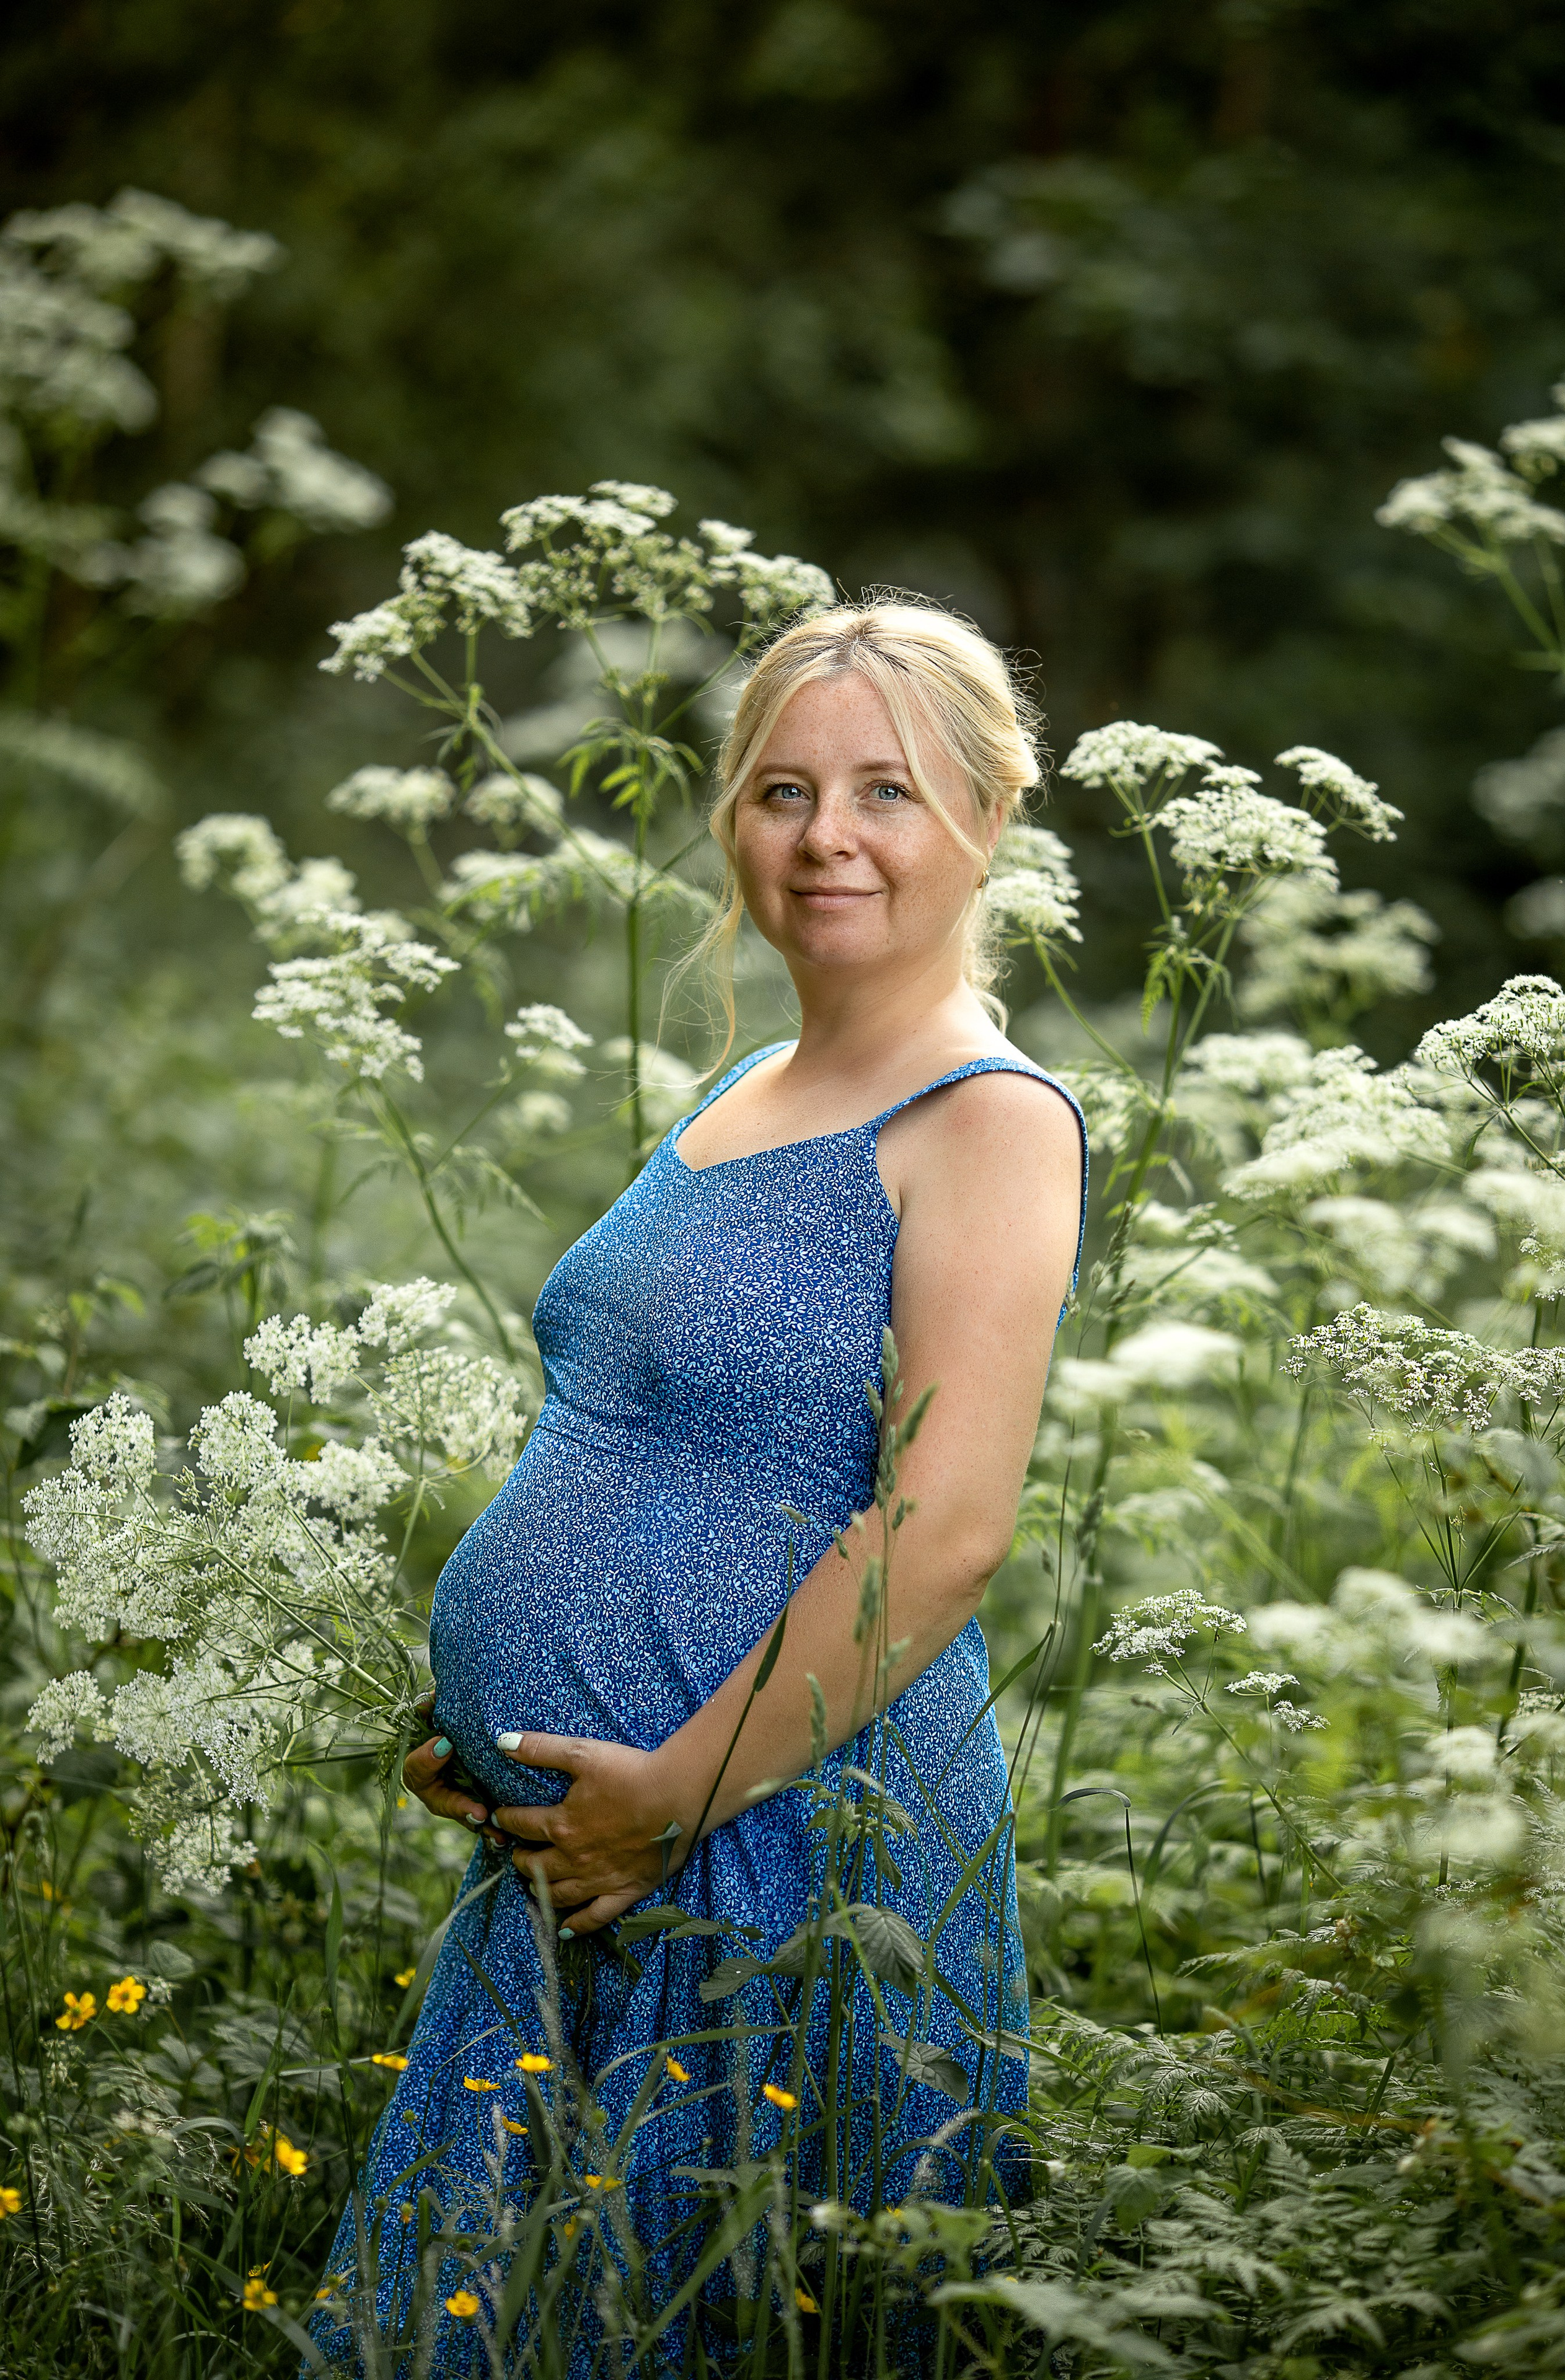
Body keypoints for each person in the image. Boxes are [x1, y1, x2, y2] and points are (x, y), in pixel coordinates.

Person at [307, 599, 1086, 2374]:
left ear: (987, 820)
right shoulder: (752, 1083)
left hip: (772, 1844)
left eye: (887, 790)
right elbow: (645, 1432)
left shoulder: (989, 1118)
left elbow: (947, 1533)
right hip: (597, 1852)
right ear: (730, 815)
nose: (827, 838)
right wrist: (490, 1718)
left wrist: (673, 1789)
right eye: (783, 789)